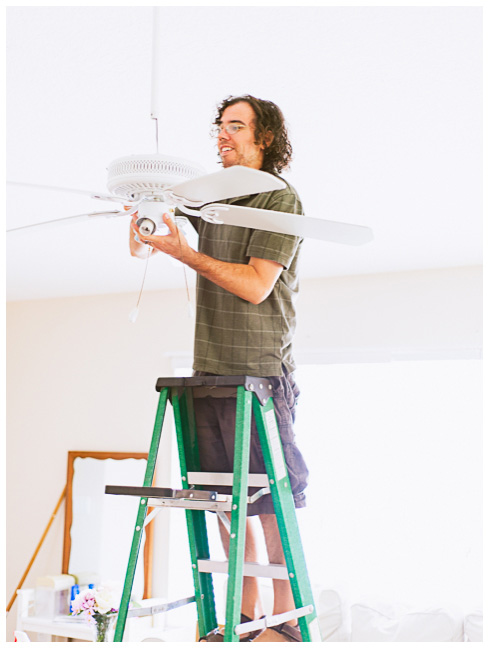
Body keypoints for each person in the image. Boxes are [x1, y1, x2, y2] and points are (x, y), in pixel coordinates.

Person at [130, 95, 308, 642]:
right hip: (209, 369)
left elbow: (256, 287)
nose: (223, 136)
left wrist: (183, 253)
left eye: (237, 126)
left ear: (266, 138)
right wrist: (143, 210)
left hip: (258, 373)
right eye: (220, 126)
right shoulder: (208, 199)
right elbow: (142, 246)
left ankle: (286, 626)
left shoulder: (279, 201)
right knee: (226, 501)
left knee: (272, 506)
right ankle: (246, 621)